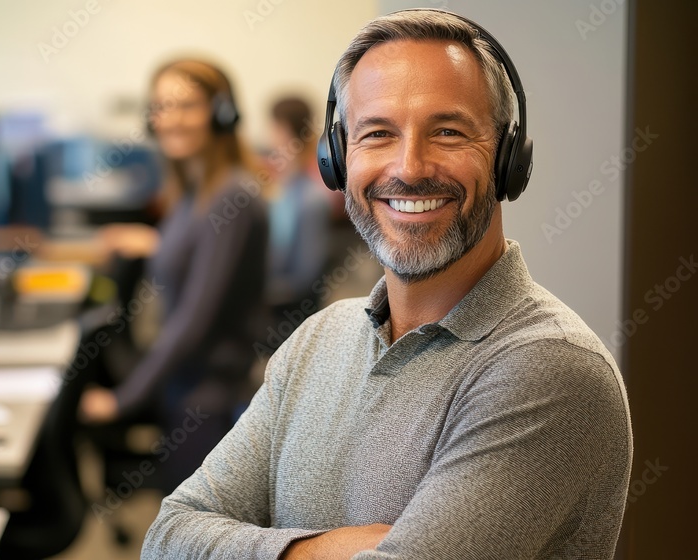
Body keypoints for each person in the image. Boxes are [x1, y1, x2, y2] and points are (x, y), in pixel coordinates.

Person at [142, 10, 632, 560]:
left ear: (507, 159)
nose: (409, 166)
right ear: (337, 159)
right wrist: (329, 549)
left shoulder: (550, 369)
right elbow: (167, 538)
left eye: (448, 131)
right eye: (377, 133)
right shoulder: (315, 341)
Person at [78, 59, 269, 494]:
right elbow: (199, 249)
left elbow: (194, 319)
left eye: (186, 105)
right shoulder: (192, 192)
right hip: (183, 382)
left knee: (193, 537)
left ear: (221, 114)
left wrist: (122, 399)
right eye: (161, 106)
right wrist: (156, 244)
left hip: (207, 397)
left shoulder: (233, 196)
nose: (170, 119)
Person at [263, 97, 332, 347]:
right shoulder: (281, 189)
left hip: (287, 315)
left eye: (272, 128)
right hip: (272, 297)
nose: (267, 138)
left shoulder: (310, 199)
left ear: (284, 131)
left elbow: (305, 278)